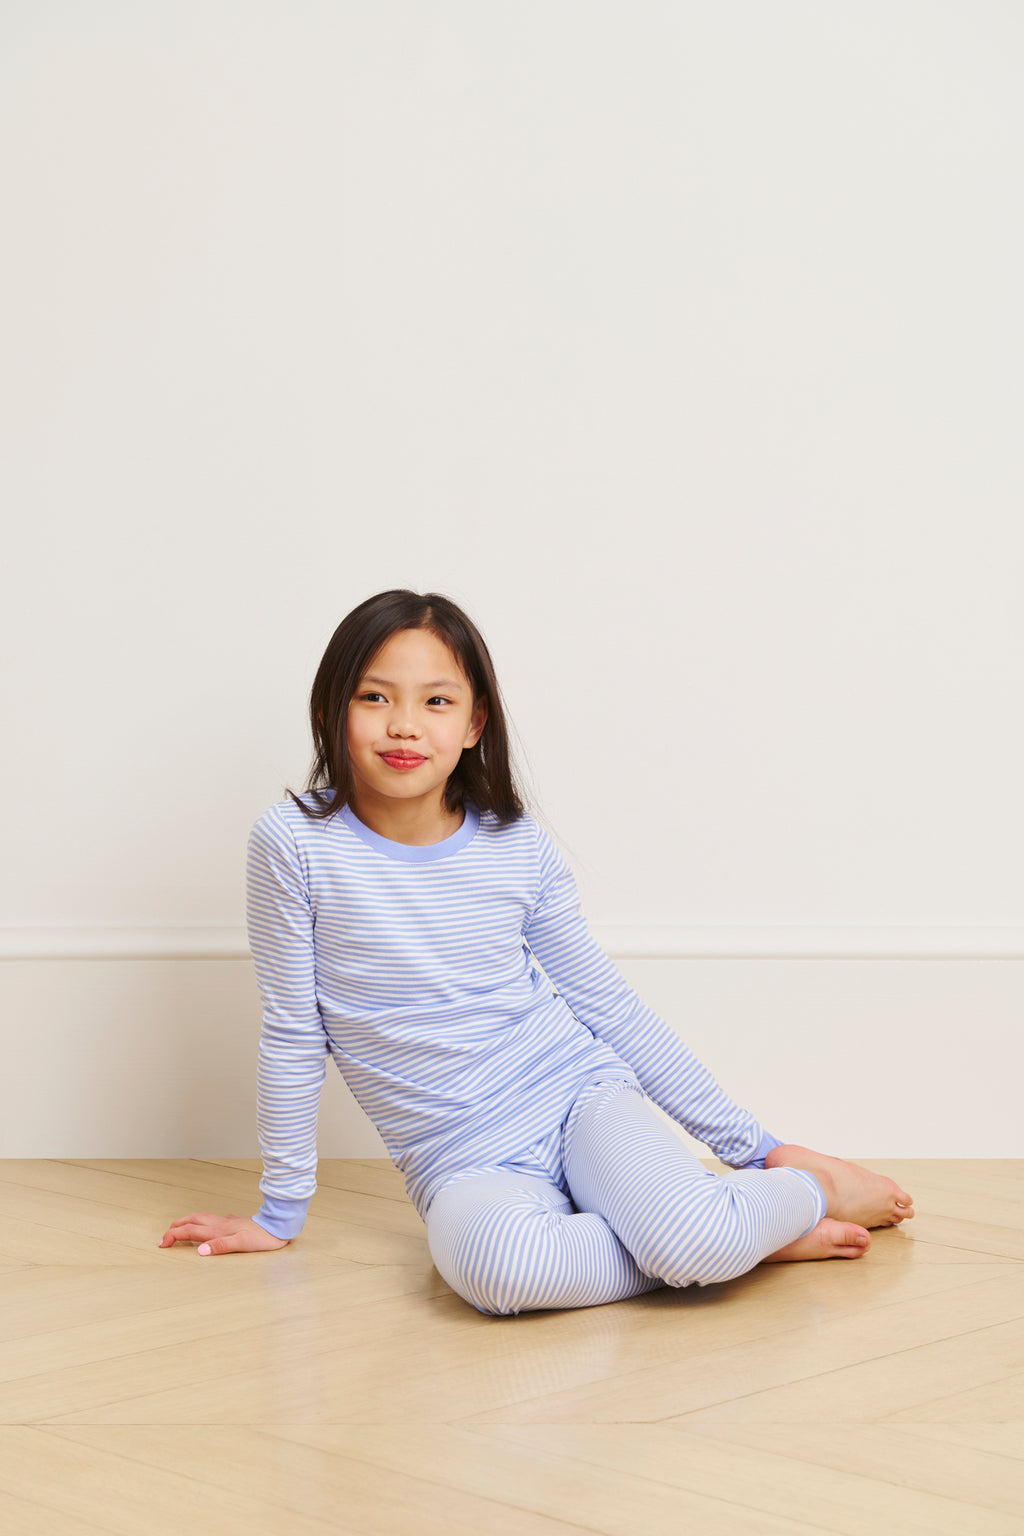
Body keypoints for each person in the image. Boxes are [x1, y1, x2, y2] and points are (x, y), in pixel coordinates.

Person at [159, 589, 913, 1314]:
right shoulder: (294, 845)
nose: (404, 726)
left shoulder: (515, 848)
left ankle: (800, 1192)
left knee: (690, 1234)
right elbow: (295, 1031)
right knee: (498, 1276)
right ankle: (728, 1241)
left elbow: (605, 1004)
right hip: (458, 1155)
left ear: (475, 723)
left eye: (436, 701)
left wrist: (759, 1151)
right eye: (374, 697)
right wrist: (280, 1210)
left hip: (577, 1097)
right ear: (332, 710)